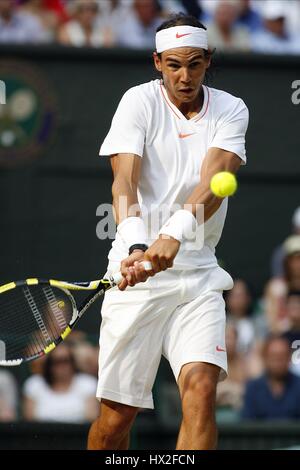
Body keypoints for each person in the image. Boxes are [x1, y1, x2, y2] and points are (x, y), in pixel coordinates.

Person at [88, 13, 248, 450]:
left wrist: (173, 236)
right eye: (174, 65)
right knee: (116, 420)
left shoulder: (232, 109)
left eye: (195, 64)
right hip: (135, 278)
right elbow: (123, 182)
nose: (185, 76)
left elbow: (214, 183)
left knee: (201, 390)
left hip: (197, 277)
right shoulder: (137, 102)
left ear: (208, 61)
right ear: (156, 62)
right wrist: (139, 244)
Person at [23, 344, 98, 423]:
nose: (61, 366)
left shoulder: (88, 383)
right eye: (56, 362)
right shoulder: (34, 384)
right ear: (49, 364)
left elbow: (91, 418)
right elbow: (29, 420)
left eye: (65, 361)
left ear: (73, 362)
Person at [241, 336, 300, 420]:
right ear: (265, 358)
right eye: (274, 357)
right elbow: (247, 423)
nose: (278, 362)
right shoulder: (252, 388)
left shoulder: (298, 385)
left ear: (289, 358)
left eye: (282, 357)